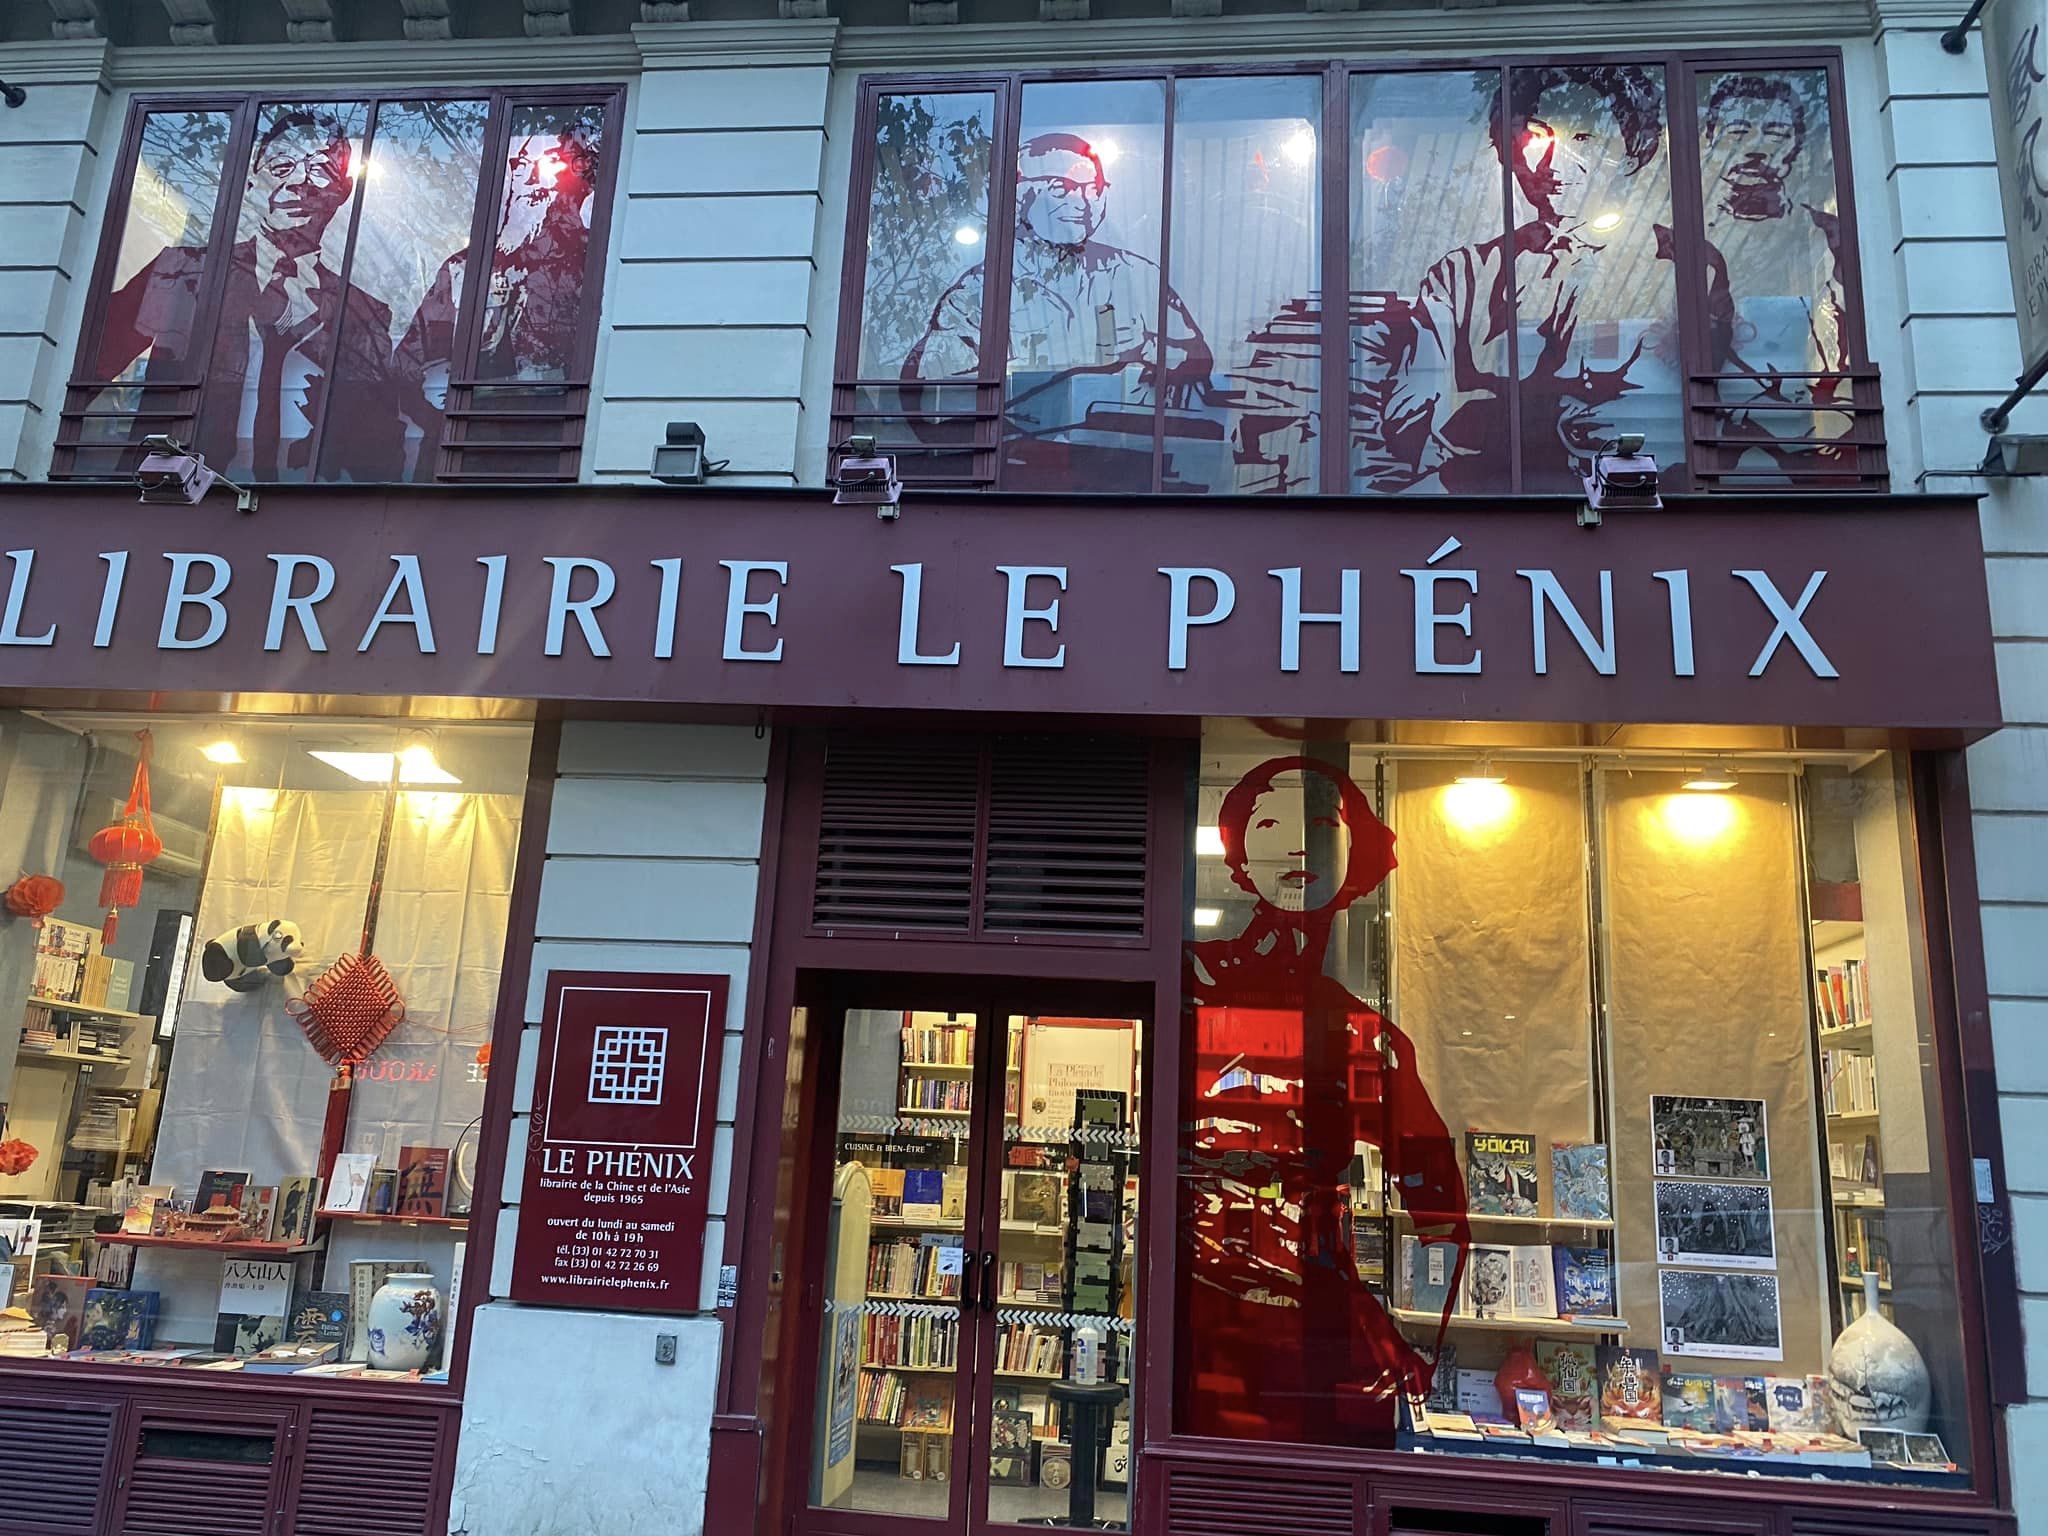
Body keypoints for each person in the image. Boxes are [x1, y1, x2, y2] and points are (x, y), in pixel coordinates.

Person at [1180, 755, 1469, 1447]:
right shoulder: (1190, 981)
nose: (1298, 848)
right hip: (1204, 1307)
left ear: (1355, 855)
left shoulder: (1368, 1036)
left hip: (1317, 1324)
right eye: (1270, 826)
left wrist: (1416, 1346)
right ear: (1237, 856)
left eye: (1320, 826)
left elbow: (1442, 1214)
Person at [1353, 65, 1674, 493]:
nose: (1552, 162)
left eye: (1583, 138)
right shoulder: (1462, 275)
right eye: (1536, 138)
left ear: (1631, 155)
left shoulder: (1675, 268)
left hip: (1630, 505)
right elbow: (1406, 421)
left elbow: (1690, 417)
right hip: (1481, 505)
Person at [96, 110, 408, 482]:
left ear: (343, 191)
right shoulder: (184, 272)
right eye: (281, 166)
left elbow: (381, 457)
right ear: (250, 183)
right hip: (175, 494)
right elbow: (93, 364)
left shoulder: (364, 312)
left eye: (320, 169)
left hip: (302, 500)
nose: (300, 182)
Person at [904, 131, 1212, 488]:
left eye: (1092, 189)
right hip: (1017, 481)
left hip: (1124, 474)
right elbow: (933, 404)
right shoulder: (979, 294)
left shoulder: (1135, 275)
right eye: (1061, 188)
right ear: (1020, 197)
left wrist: (1155, 358)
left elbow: (1198, 360)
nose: (1081, 201)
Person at [391, 123, 601, 478]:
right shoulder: (462, 269)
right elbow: (405, 363)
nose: (531, 178)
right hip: (455, 463)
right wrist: (432, 396)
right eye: (521, 165)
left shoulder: (591, 269)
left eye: (551, 164)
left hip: (546, 460)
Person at [1694, 74, 1855, 479]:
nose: (1756, 148)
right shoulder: (1691, 243)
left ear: (1794, 147)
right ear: (1709, 144)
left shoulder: (1827, 238)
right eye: (1736, 132)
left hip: (1809, 428)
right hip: (1716, 434)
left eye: (1776, 133)